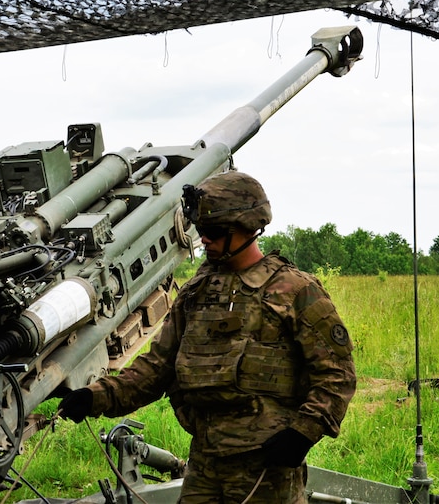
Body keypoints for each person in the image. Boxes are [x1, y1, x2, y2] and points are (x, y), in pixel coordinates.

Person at [59, 170, 356, 503]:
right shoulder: (195, 294)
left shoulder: (295, 291)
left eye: (214, 232)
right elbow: (156, 369)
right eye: (201, 232)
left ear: (249, 227)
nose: (206, 241)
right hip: (206, 460)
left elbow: (336, 374)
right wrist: (95, 397)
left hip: (266, 464)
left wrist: (302, 434)